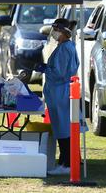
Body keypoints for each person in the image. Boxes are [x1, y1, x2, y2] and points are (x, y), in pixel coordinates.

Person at [36, 18, 79, 176]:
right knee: (62, 129)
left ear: (64, 32)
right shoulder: (66, 46)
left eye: (56, 30)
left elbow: (59, 73)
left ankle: (66, 163)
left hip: (60, 93)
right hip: (58, 92)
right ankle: (64, 161)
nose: (54, 33)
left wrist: (45, 69)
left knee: (63, 130)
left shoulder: (64, 48)